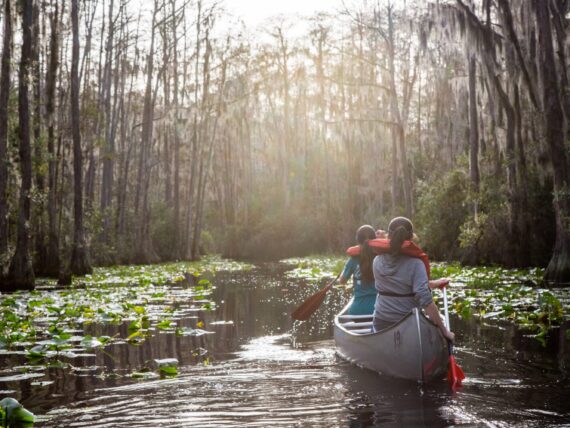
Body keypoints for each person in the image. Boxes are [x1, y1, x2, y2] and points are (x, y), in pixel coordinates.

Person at [372, 217, 454, 342]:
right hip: (409, 324)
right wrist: (445, 331)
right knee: (437, 322)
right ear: (411, 237)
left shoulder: (377, 261)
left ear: (388, 236)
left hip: (381, 321)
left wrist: (436, 283)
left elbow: (399, 285)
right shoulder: (416, 264)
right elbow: (424, 298)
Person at [339, 225, 378, 315]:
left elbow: (342, 281)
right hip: (377, 309)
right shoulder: (380, 257)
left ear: (358, 240)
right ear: (375, 240)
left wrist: (345, 268)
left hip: (356, 310)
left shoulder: (352, 260)